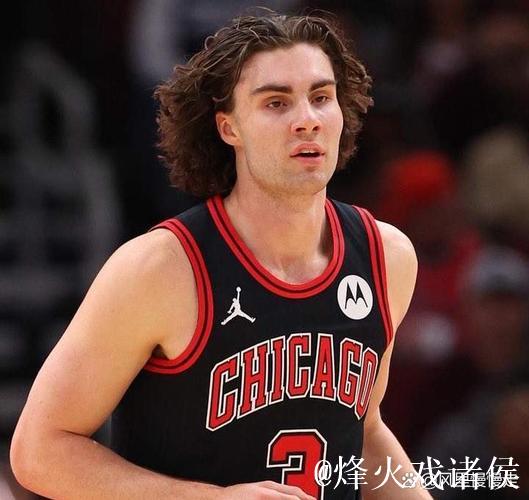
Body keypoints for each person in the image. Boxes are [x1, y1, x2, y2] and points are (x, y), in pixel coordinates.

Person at [10, 10, 432, 500]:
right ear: (229, 128)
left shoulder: (387, 256)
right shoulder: (160, 268)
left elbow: (366, 431)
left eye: (321, 97)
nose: (307, 120)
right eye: (276, 103)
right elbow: (39, 450)